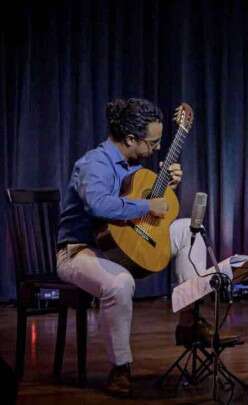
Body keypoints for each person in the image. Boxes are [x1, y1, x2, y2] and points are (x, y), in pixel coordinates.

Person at [56, 98, 209, 396]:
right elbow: (99, 206)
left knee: (191, 231)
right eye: (152, 142)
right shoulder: (93, 164)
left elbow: (145, 202)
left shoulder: (134, 166)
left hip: (122, 246)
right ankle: (120, 368)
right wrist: (147, 204)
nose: (156, 149)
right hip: (79, 251)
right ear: (130, 139)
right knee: (120, 283)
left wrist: (166, 187)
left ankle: (190, 321)